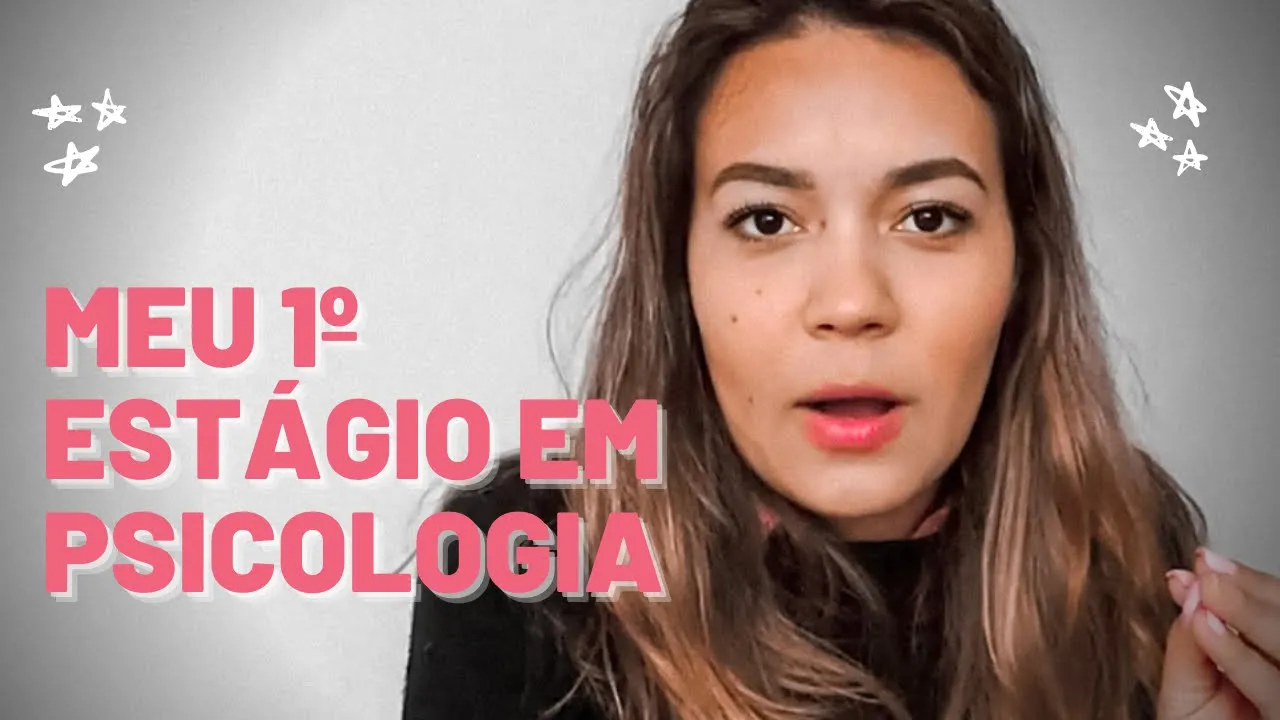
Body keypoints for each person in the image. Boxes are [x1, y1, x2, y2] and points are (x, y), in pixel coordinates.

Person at [401, 0, 1280, 718]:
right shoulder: (524, 557)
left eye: (929, 218)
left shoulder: (1127, 549)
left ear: (1023, 267)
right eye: (767, 221)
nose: (853, 303)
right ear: (680, 272)